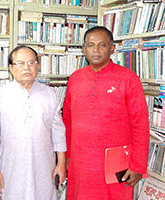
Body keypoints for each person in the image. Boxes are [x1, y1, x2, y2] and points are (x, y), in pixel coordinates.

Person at [62, 26, 150, 199]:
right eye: (91, 45)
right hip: (81, 163)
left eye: (102, 45)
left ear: (112, 48)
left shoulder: (128, 79)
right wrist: (66, 157)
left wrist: (138, 166)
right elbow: (67, 121)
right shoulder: (75, 79)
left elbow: (140, 125)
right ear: (84, 49)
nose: (96, 50)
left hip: (116, 165)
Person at [0, 45, 67, 199]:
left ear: (37, 66)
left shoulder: (49, 94)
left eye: (31, 63)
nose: (26, 68)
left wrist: (61, 163)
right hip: (10, 167)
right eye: (20, 63)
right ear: (11, 68)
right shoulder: (0, 95)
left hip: (43, 166)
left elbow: (58, 133)